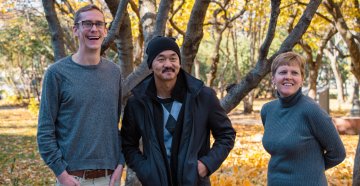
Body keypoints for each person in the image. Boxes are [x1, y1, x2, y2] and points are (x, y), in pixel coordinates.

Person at [121, 36, 236, 186]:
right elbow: (128, 144)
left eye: (173, 58)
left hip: (194, 182)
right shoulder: (137, 102)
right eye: (161, 59)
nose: (168, 64)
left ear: (179, 62)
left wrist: (206, 165)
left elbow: (226, 135)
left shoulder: (202, 96)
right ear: (150, 64)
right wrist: (145, 170)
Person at [37, 4, 124, 186]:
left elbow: (115, 125)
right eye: (87, 24)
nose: (94, 29)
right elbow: (45, 132)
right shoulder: (56, 74)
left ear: (105, 30)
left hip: (110, 179)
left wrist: (120, 164)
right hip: (72, 178)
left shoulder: (114, 73)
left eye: (99, 24)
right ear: (76, 30)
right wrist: (61, 175)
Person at [260, 51, 346, 185]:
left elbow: (338, 153)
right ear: (273, 78)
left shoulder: (312, 110)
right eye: (283, 72)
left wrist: (312, 170)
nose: (288, 77)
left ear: (301, 80)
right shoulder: (267, 110)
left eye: (294, 73)